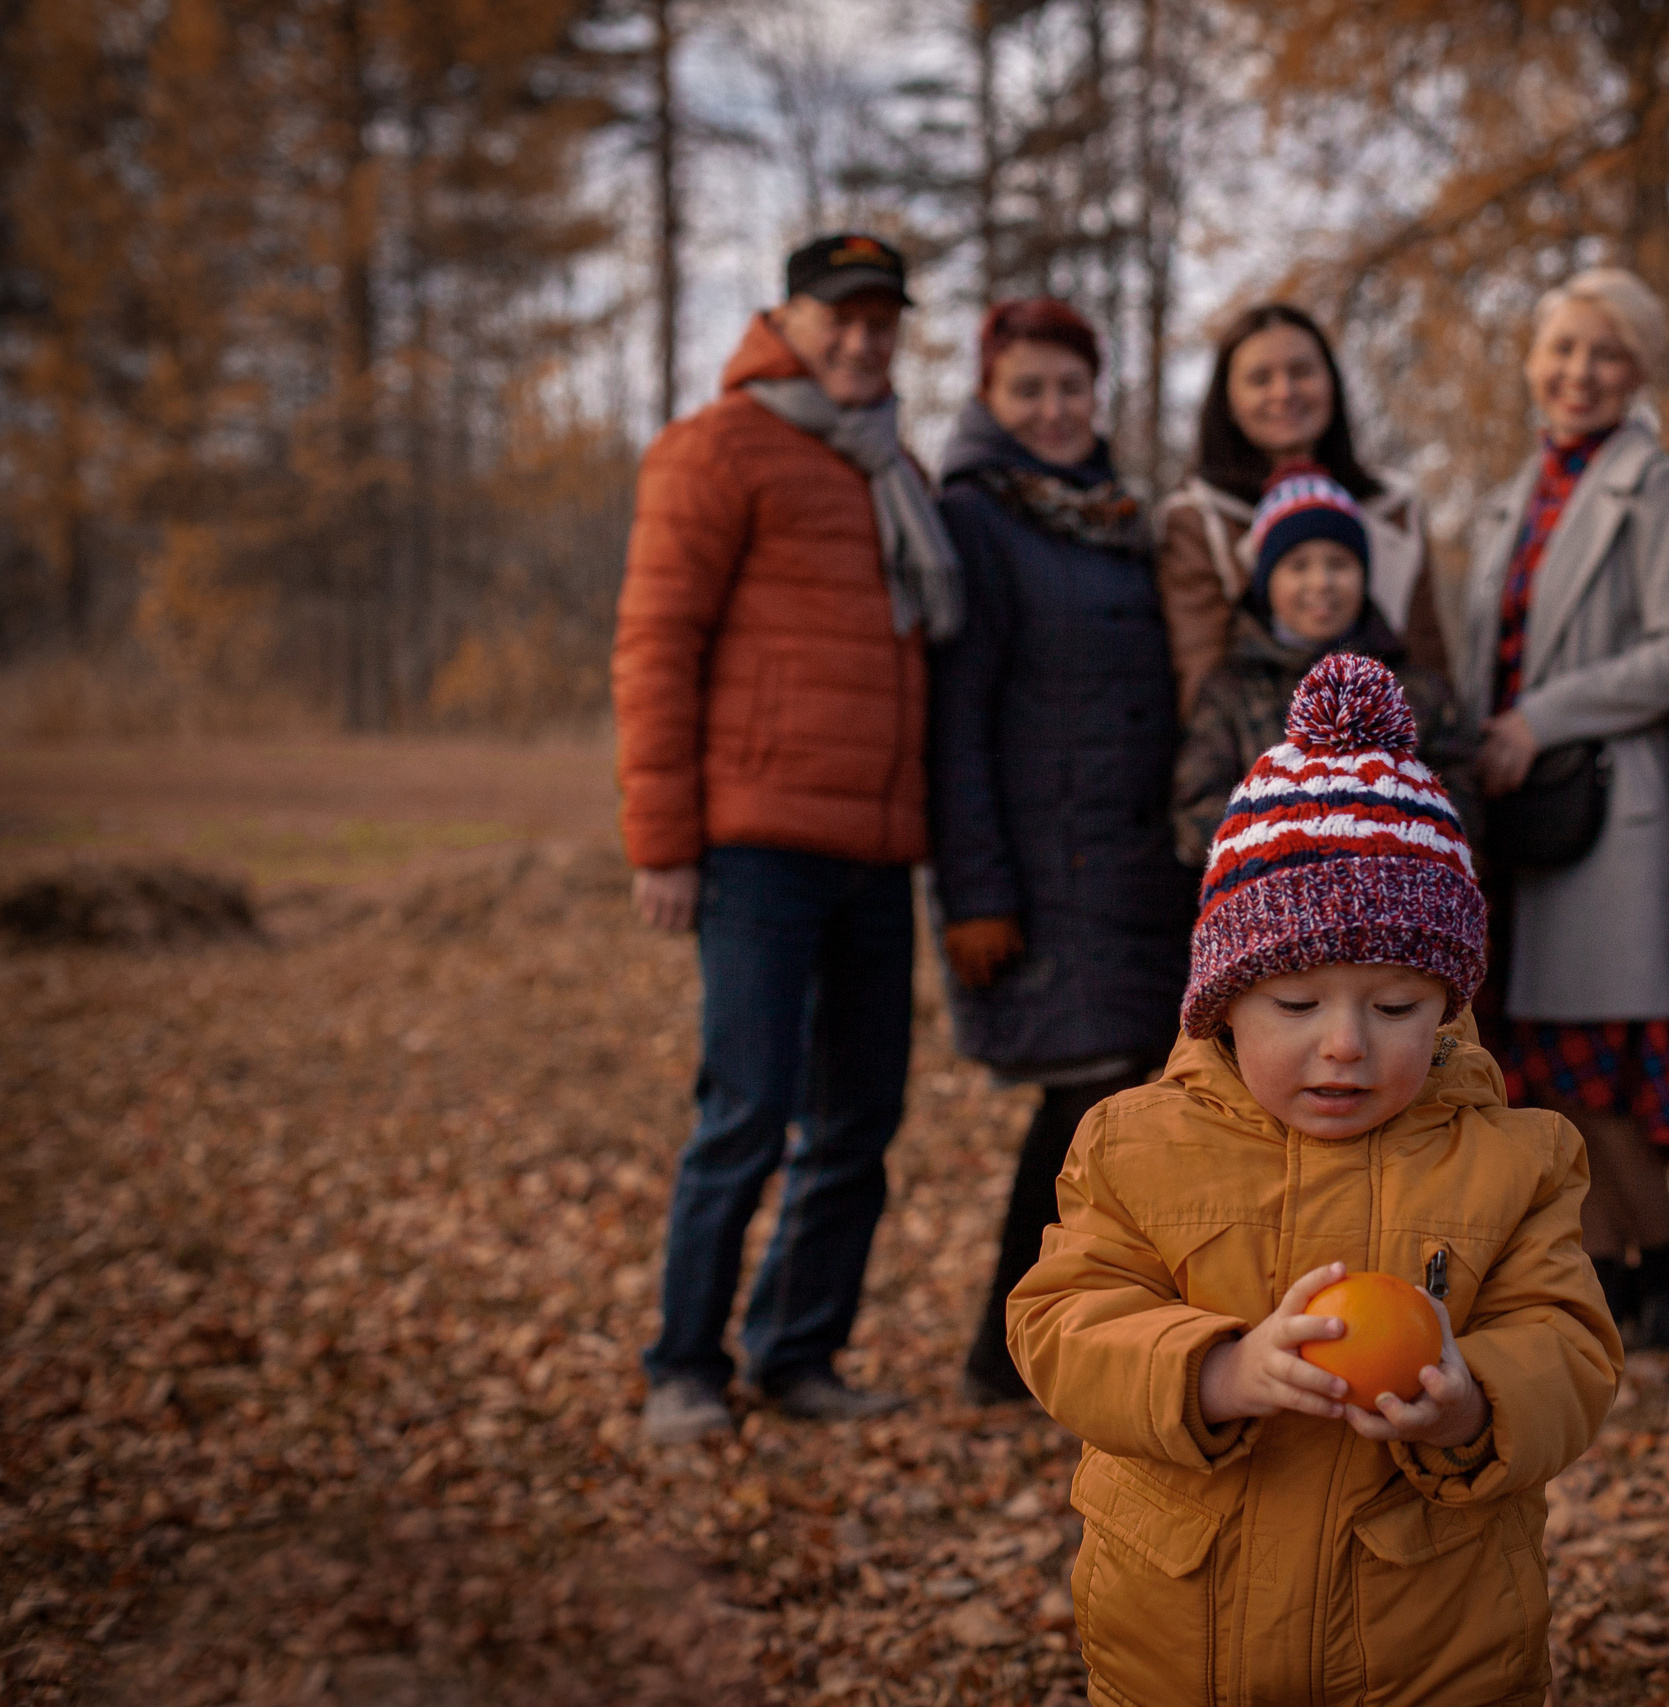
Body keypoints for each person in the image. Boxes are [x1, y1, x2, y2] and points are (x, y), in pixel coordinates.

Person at [1008, 654, 1620, 1707]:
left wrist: (1474, 1402)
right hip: (1180, 1640)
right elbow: (1061, 1320)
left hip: (1433, 1642)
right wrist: (1214, 1372)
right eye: (1296, 1005)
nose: (1345, 1044)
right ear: (1224, 1002)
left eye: (1394, 1008)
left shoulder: (1514, 1160)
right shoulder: (1134, 1145)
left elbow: (1568, 1344)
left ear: (1447, 1010)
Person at [614, 232, 962, 1444]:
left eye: (882, 321)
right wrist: (663, 840)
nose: (862, 340)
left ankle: (796, 1354)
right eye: (840, 318)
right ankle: (682, 1367)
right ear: (788, 321)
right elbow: (655, 647)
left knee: (859, 1118)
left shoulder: (893, 465)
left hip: (876, 849)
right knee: (746, 1112)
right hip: (757, 846)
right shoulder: (717, 448)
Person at [928, 298, 1196, 1408]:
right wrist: (975, 892)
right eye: (1026, 389)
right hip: (1045, 872)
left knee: (1134, 1092)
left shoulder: (1116, 514)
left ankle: (1093, 1331)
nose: (1051, 409)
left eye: (1069, 388)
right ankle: (1003, 1352)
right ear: (989, 398)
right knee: (1079, 1100)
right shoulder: (975, 519)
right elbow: (955, 722)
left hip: (1139, 865)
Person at [1456, 266, 1669, 1353]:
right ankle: (1610, 1284)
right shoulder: (1509, 498)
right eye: (1563, 348)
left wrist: (1541, 717)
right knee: (1538, 1065)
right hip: (1513, 819)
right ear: (1532, 361)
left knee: (1598, 1064)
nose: (1580, 371)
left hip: (1603, 814)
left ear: (1639, 371)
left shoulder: (1653, 485)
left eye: (1606, 353)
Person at [1170, 463, 1479, 866]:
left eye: (1339, 563)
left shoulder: (1416, 689)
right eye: (1298, 565)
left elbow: (1463, 802)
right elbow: (1196, 813)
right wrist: (1297, 841)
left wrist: (1380, 837)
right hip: (1273, 898)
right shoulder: (1230, 691)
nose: (1321, 582)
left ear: (1364, 575)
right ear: (1266, 582)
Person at [1156, 303, 1448, 714]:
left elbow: (1430, 668)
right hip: (1261, 745)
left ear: (1332, 383)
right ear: (1229, 402)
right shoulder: (1197, 519)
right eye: (1260, 379)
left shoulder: (1395, 508)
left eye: (1301, 371)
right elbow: (1200, 681)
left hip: (1390, 740)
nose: (1284, 392)